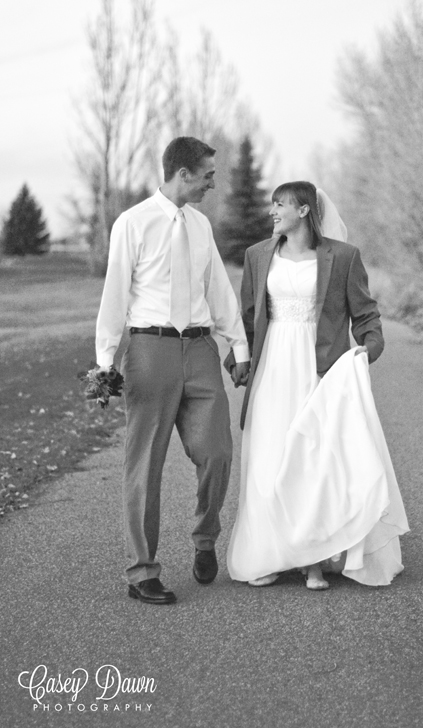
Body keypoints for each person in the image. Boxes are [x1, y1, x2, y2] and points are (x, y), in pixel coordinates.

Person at [225, 181, 408, 590]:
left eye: (280, 204)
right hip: (272, 369)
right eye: (272, 204)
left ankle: (314, 561)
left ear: (304, 210)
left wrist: (368, 350)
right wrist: (238, 360)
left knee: (313, 461)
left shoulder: (343, 257)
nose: (272, 211)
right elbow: (249, 316)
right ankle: (270, 554)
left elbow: (365, 314)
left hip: (319, 370)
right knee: (268, 458)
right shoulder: (257, 255)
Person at [95, 136, 250, 605]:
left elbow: (218, 288)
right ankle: (142, 572)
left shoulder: (200, 225)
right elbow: (115, 293)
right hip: (150, 350)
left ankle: (205, 537)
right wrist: (105, 362)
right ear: (183, 174)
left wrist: (238, 344)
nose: (212, 183)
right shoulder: (132, 222)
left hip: (200, 349)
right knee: (145, 464)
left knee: (218, 452)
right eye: (207, 174)